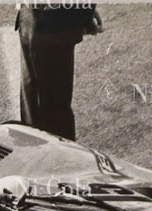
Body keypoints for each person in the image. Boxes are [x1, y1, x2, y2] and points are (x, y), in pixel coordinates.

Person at [16, 3, 101, 140]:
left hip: (45, 22)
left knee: (44, 116)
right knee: (52, 111)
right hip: (50, 20)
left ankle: (53, 152)